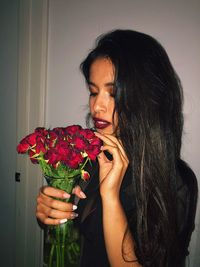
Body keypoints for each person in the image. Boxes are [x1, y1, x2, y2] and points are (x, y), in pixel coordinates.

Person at [36, 29, 198, 267]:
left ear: (147, 99)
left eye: (113, 94)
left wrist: (110, 196)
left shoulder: (176, 182)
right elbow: (73, 231)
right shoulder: (87, 157)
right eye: (93, 91)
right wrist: (50, 213)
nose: (97, 106)